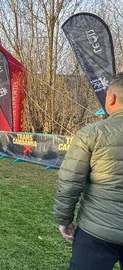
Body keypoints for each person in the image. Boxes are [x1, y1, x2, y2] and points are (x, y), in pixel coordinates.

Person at [53, 73, 123, 270]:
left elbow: (69, 181)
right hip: (96, 228)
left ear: (111, 99)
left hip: (95, 232)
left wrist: (64, 220)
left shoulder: (91, 133)